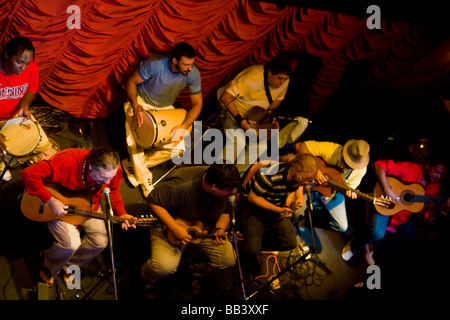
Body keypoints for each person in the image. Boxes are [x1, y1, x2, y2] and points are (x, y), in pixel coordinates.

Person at [20, 147, 137, 286]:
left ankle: (68, 265)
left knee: (100, 242)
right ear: (91, 167)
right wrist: (50, 200)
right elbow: (28, 174)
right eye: (103, 178)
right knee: (71, 244)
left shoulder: (112, 168)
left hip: (88, 204)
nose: (107, 181)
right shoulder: (68, 161)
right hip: (57, 204)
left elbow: (112, 189)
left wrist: (121, 213)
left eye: (110, 177)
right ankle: (47, 264)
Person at [140, 164, 241, 295]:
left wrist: (220, 228)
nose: (233, 192)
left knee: (228, 259)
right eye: (229, 190)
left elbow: (227, 211)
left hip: (201, 230)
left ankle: (189, 271)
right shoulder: (181, 185)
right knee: (163, 267)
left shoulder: (227, 185)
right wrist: (175, 228)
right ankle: (147, 280)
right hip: (170, 227)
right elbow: (153, 200)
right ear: (214, 187)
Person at [124, 42, 203, 197]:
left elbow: (198, 104)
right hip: (141, 103)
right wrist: (134, 105)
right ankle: (145, 179)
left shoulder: (192, 73)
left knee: (179, 147)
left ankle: (134, 165)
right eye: (186, 64)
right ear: (174, 61)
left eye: (191, 64)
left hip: (166, 108)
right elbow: (131, 82)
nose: (189, 68)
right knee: (133, 140)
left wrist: (184, 125)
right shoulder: (154, 65)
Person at [341, 155, 449, 265]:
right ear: (427, 165)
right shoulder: (410, 168)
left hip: (401, 217)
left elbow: (426, 214)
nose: (438, 176)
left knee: (414, 243)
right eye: (437, 172)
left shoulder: (434, 188)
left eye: (441, 174)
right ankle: (354, 246)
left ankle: (370, 244)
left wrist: (440, 209)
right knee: (378, 233)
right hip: (385, 204)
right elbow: (379, 165)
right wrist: (387, 189)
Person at [217, 55, 308, 174]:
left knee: (261, 146)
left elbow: (274, 104)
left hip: (256, 118)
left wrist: (271, 121)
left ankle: (234, 174)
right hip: (233, 113)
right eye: (279, 78)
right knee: (238, 141)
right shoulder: (251, 76)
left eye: (285, 79)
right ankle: (217, 173)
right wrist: (241, 121)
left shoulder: (284, 82)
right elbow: (225, 97)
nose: (282, 83)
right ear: (270, 72)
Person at [239, 153, 318, 275]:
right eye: (305, 179)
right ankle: (247, 246)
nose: (307, 183)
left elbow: (298, 187)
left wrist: (298, 199)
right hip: (252, 207)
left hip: (273, 207)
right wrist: (279, 210)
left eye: (309, 180)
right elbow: (252, 198)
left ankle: (255, 242)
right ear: (294, 169)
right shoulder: (271, 173)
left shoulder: (297, 179)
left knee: (290, 243)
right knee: (252, 248)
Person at [0, 36, 57, 181]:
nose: (23, 68)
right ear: (7, 54)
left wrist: (24, 106)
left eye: (27, 63)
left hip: (15, 116)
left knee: (43, 144)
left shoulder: (31, 68)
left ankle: (11, 159)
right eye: (19, 62)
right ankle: (4, 161)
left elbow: (31, 89)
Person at [289, 139, 370, 232]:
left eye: (353, 165)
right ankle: (297, 219)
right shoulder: (332, 150)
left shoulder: (361, 171)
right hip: (311, 185)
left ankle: (309, 221)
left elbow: (347, 188)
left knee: (342, 226)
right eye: (348, 161)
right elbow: (299, 146)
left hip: (332, 191)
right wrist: (316, 169)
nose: (349, 165)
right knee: (296, 211)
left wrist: (348, 193)